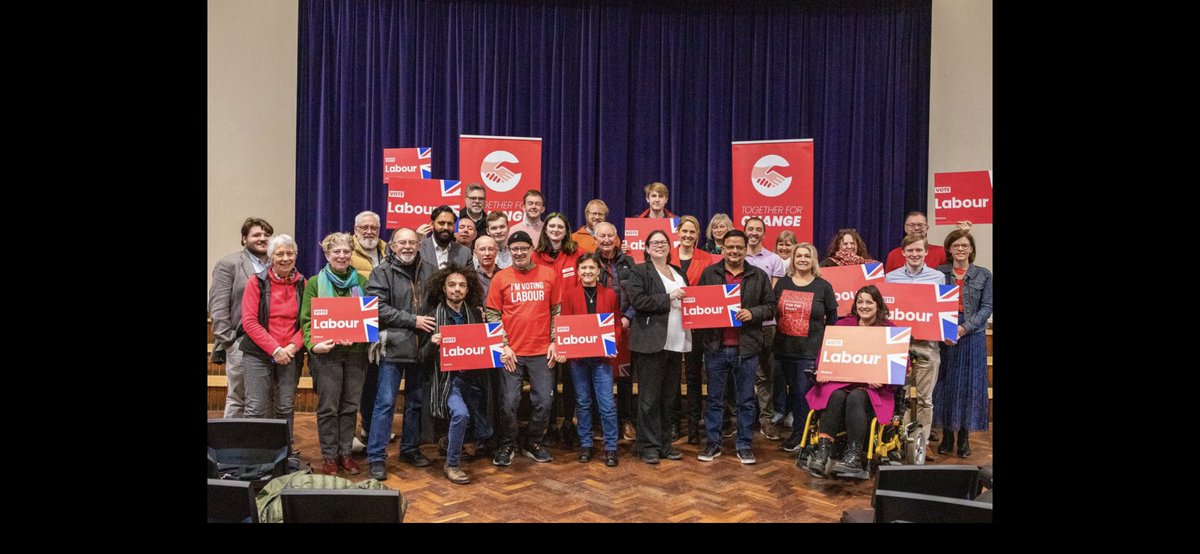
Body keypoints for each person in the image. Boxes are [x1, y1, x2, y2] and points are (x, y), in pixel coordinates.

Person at [364, 228, 439, 480]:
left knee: (416, 404)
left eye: (412, 242)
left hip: (422, 348)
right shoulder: (381, 272)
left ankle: (409, 448)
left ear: (419, 245)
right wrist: (412, 321)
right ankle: (376, 457)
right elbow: (376, 308)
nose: (407, 246)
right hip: (393, 349)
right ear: (393, 246)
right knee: (384, 404)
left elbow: (439, 304)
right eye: (402, 243)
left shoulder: (430, 270)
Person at [696, 230, 776, 464]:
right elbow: (699, 305)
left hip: (747, 348)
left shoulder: (759, 276)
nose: (734, 251)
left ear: (745, 249)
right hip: (715, 347)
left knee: (746, 401)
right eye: (729, 247)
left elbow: (771, 306)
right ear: (723, 248)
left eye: (738, 247)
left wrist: (753, 313)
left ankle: (744, 445)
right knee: (714, 400)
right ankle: (713, 444)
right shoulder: (710, 273)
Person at [805, 285, 902, 477]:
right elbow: (826, 353)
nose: (864, 306)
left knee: (856, 397)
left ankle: (854, 455)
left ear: (878, 305)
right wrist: (822, 370)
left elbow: (900, 363)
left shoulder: (889, 330)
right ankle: (823, 451)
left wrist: (883, 379)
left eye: (869, 302)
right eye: (860, 302)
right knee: (836, 396)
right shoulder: (843, 325)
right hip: (842, 382)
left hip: (872, 388)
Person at [485, 231, 561, 466]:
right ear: (509, 251)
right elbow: (492, 313)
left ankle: (533, 442)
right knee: (508, 401)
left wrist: (555, 340)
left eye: (523, 248)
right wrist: (503, 346)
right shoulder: (500, 278)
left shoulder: (549, 274)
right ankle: (507, 443)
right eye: (514, 248)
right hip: (511, 353)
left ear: (531, 249)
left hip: (541, 351)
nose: (519, 252)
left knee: (545, 402)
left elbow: (556, 310)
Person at [299, 232, 368, 475]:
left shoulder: (361, 281)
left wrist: (360, 333)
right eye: (336, 251)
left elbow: (366, 316)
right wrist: (313, 344)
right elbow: (306, 320)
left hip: (356, 353)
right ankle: (329, 457)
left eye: (346, 251)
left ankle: (345, 453)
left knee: (350, 406)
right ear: (327, 255)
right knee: (328, 407)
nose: (341, 255)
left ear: (352, 254)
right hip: (326, 354)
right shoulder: (316, 283)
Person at [624, 229, 691, 464]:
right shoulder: (639, 271)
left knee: (667, 398)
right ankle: (647, 446)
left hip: (676, 341)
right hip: (651, 343)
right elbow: (639, 302)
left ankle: (665, 444)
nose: (660, 246)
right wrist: (669, 297)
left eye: (663, 242)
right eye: (655, 242)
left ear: (669, 246)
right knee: (649, 398)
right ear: (647, 247)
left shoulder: (678, 272)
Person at [427, 264, 494, 484]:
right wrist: (431, 344)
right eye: (452, 284)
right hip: (448, 380)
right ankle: (452, 464)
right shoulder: (432, 316)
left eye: (462, 285)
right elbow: (419, 357)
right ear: (443, 288)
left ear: (468, 289)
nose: (457, 289)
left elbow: (486, 345)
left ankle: (449, 440)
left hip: (473, 378)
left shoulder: (476, 313)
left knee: (486, 430)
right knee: (461, 414)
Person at [555, 253, 622, 466]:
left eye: (591, 268)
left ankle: (611, 447)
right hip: (578, 360)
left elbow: (617, 324)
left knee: (607, 405)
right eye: (583, 268)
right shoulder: (569, 295)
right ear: (578, 272)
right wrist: (563, 348)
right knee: (583, 403)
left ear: (598, 271)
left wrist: (613, 345)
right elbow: (564, 324)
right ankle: (586, 444)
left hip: (602, 359)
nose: (587, 272)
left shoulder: (610, 294)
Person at [240, 234, 306, 450]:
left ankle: (284, 453)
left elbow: (308, 322)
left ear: (296, 256)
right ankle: (254, 453)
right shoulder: (256, 282)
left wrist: (292, 347)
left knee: (285, 406)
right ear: (270, 257)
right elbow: (249, 322)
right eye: (280, 254)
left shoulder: (303, 284)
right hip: (258, 354)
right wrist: (275, 348)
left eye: (290, 253)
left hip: (290, 354)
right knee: (256, 408)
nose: (285, 258)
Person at [772, 242, 839, 451]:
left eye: (807, 256)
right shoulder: (783, 283)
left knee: (803, 394)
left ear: (813, 260)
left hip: (809, 352)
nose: (802, 259)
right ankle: (799, 432)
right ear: (793, 260)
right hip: (783, 350)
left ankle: (803, 435)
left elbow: (833, 318)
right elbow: (773, 311)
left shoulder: (823, 286)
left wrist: (825, 345)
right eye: (798, 256)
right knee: (791, 394)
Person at [885, 233, 946, 457]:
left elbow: (942, 311)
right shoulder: (890, 278)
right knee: (898, 395)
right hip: (899, 345)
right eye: (910, 250)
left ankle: (922, 442)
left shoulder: (938, 277)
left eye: (919, 250)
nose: (915, 254)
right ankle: (901, 439)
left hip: (928, 346)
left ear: (926, 252)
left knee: (925, 398)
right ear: (903, 253)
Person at [933, 230, 993, 458]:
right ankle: (947, 436)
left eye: (964, 245)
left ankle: (965, 438)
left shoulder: (984, 275)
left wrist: (964, 327)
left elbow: (987, 306)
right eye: (956, 245)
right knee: (946, 384)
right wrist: (947, 329)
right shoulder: (939, 273)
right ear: (949, 249)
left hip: (972, 335)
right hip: (944, 332)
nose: (960, 249)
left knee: (968, 387)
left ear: (971, 249)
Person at [209, 217, 273, 418]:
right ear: (244, 239)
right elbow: (217, 307)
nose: (262, 238)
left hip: (272, 343)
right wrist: (229, 342)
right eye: (256, 235)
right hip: (240, 342)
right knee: (238, 398)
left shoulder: (278, 263)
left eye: (266, 235)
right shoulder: (229, 264)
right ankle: (232, 447)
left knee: (268, 397)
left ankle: (262, 446)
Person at [534, 212, 584, 445]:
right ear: (545, 230)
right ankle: (550, 425)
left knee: (573, 379)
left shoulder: (577, 253)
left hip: (573, 323)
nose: (555, 230)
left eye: (560, 226)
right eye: (551, 226)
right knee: (550, 377)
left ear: (566, 230)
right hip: (544, 324)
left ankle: (568, 424)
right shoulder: (535, 256)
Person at [348, 210, 394, 453]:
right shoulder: (346, 251)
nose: (369, 232)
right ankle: (362, 427)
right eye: (364, 227)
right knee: (362, 383)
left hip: (384, 327)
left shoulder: (389, 251)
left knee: (377, 380)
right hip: (357, 328)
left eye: (373, 228)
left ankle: (371, 427)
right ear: (355, 230)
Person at [671, 215, 715, 444]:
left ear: (697, 235)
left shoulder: (706, 259)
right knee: (673, 376)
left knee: (694, 375)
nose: (688, 235)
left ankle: (694, 426)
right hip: (672, 323)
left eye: (692, 232)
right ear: (677, 233)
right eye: (684, 231)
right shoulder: (667, 256)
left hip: (697, 325)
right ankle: (674, 423)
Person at [742, 216, 787, 441]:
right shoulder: (735, 256)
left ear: (764, 233)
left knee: (764, 374)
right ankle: (741, 418)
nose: (754, 232)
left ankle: (766, 419)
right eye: (750, 229)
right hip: (739, 324)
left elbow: (772, 296)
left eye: (758, 229)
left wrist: (755, 311)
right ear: (744, 231)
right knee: (740, 373)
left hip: (766, 325)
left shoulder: (775, 260)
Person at [593, 221, 637, 441]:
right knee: (600, 376)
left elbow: (638, 295)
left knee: (625, 378)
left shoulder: (629, 262)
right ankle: (602, 422)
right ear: (595, 239)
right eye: (602, 236)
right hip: (597, 330)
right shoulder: (589, 262)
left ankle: (626, 420)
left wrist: (628, 318)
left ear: (617, 237)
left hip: (624, 328)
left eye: (610, 236)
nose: (607, 240)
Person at [883, 212, 972, 272]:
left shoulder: (940, 252)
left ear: (927, 228)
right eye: (912, 225)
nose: (916, 228)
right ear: (905, 228)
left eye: (920, 225)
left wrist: (962, 234)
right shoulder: (894, 254)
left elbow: (959, 268)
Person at [419, 205, 472, 269]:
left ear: (454, 226)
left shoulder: (465, 253)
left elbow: (471, 278)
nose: (446, 227)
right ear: (432, 224)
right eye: (441, 223)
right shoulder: (419, 249)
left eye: (450, 224)